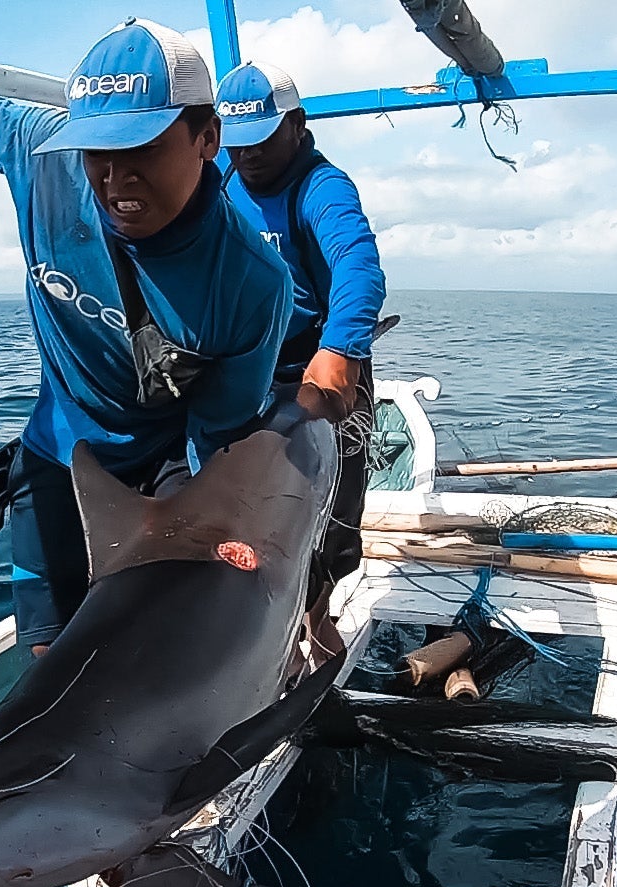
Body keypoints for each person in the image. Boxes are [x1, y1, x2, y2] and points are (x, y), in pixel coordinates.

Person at [0, 20, 292, 653]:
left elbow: (217, 438)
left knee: (172, 640)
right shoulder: (40, 157)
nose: (117, 179)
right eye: (98, 151)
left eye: (143, 148)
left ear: (208, 138)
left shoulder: (252, 282)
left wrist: (211, 538)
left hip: (166, 459)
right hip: (59, 448)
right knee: (49, 652)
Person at [217, 60, 387, 627]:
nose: (248, 155)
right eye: (236, 141)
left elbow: (357, 265)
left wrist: (341, 351)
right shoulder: (218, 175)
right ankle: (255, 614)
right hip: (248, 368)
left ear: (297, 124)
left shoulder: (323, 187)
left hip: (318, 361)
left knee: (336, 504)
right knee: (244, 500)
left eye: (262, 139)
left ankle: (319, 612)